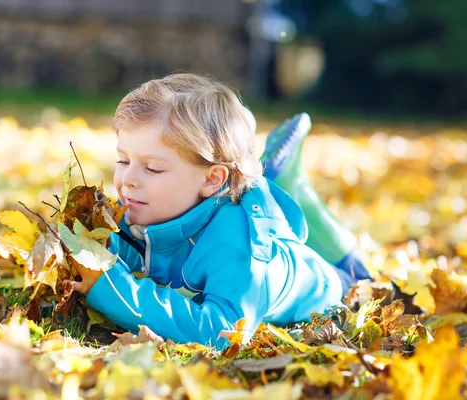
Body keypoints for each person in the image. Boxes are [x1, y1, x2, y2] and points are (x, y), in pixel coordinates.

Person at [66, 73, 369, 349]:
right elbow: (137, 256)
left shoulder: (240, 245)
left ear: (211, 179)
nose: (128, 180)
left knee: (360, 277)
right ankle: (269, 170)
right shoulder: (151, 206)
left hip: (333, 288)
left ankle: (287, 182)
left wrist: (109, 288)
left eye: (153, 168)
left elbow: (222, 332)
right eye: (123, 161)